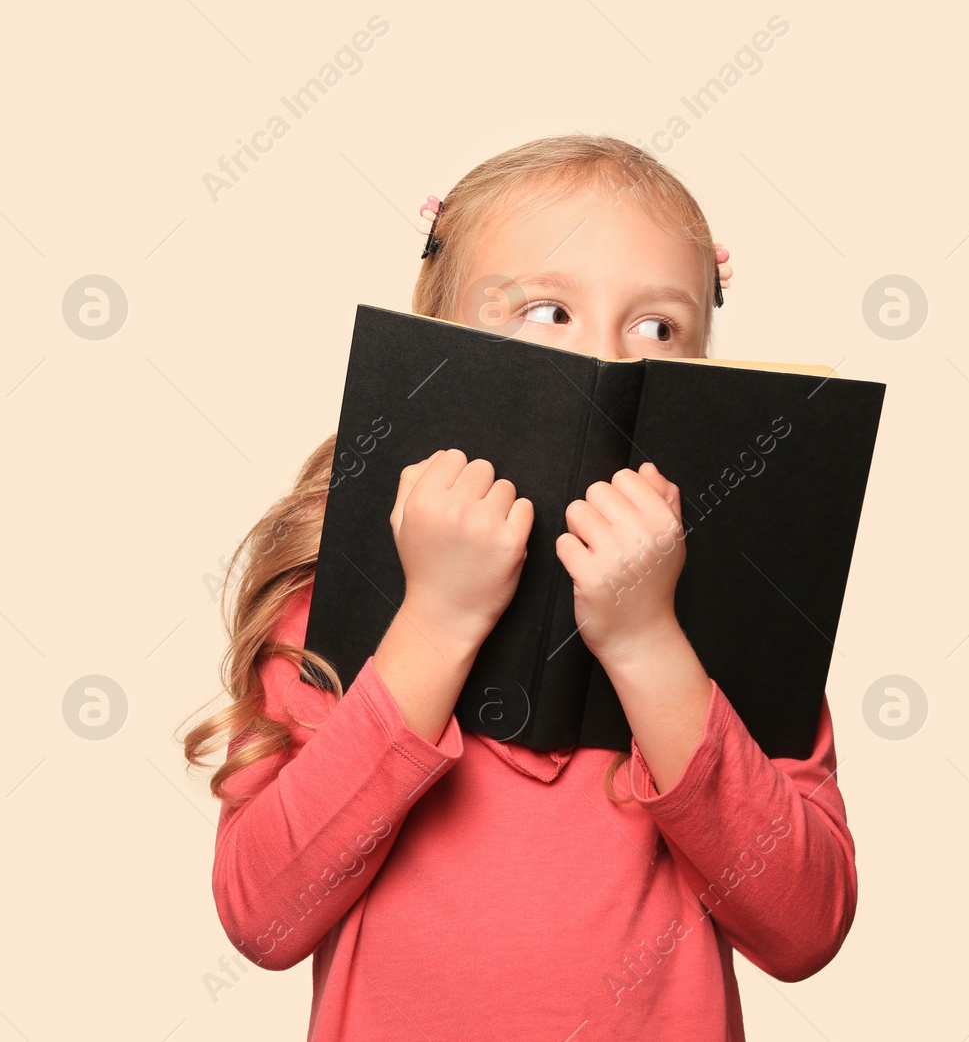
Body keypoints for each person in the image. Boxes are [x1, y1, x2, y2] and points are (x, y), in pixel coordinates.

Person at [181, 133, 853, 1040]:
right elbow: (264, 916)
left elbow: (804, 927)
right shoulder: (326, 598)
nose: (606, 361)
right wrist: (436, 620)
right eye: (547, 310)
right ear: (439, 329)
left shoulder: (732, 623)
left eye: (659, 326)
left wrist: (650, 642)